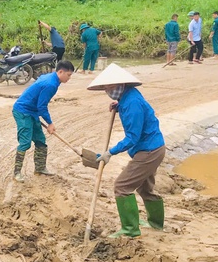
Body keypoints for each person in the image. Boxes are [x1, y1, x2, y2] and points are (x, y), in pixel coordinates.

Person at [89, 63, 165, 238]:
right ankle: (155, 224)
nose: (108, 90)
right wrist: (118, 104)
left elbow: (132, 138)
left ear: (120, 85)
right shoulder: (127, 97)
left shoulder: (132, 103)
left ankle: (130, 229)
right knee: (146, 189)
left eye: (110, 87)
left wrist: (110, 153)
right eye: (106, 88)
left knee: (122, 186)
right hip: (152, 147)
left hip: (149, 151)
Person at [12, 60, 75, 182]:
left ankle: (40, 168)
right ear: (60, 72)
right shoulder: (51, 84)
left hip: (32, 111)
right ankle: (16, 173)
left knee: (40, 140)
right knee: (25, 142)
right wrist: (50, 123)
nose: (69, 78)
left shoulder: (52, 79)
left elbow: (39, 105)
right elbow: (42, 106)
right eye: (68, 75)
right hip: (23, 111)